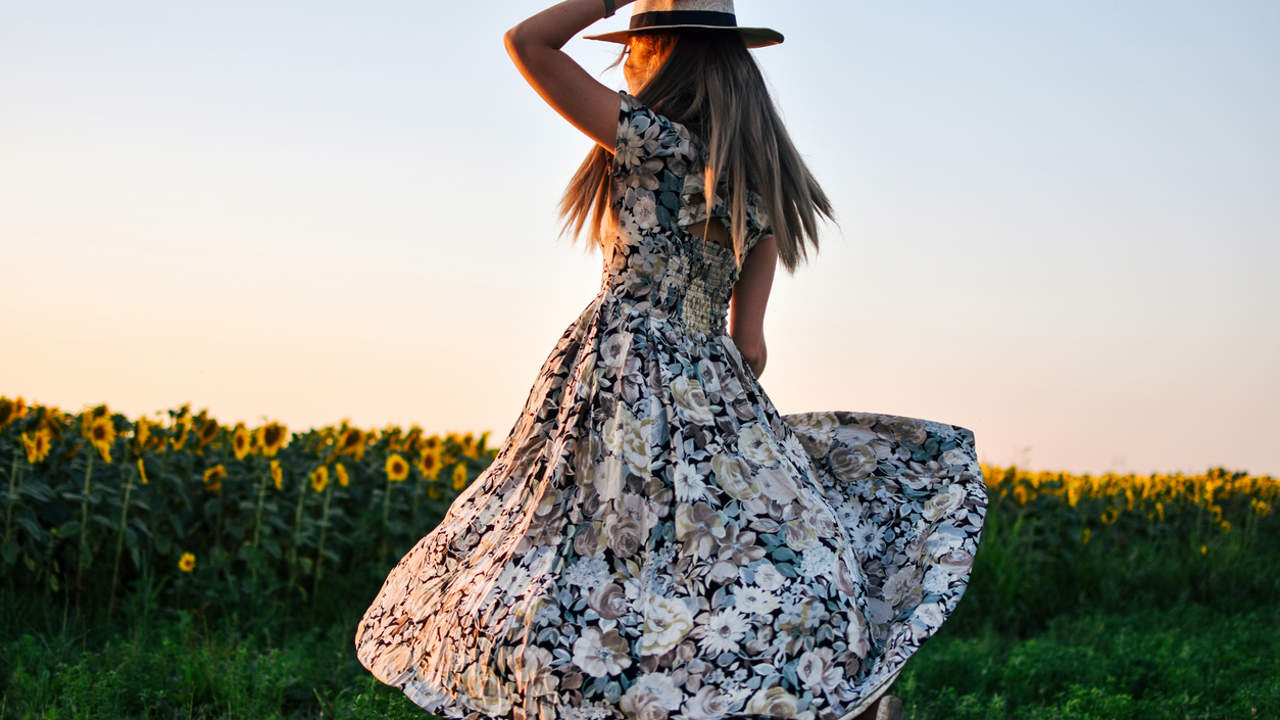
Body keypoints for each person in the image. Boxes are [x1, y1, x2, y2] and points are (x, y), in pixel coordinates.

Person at [353, 2, 988, 720]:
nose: (626, 57)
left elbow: (526, 42)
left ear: (664, 51)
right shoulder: (762, 188)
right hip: (710, 381)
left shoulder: (653, 142)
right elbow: (750, 348)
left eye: (633, 42)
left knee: (558, 552)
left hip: (619, 367)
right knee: (720, 562)